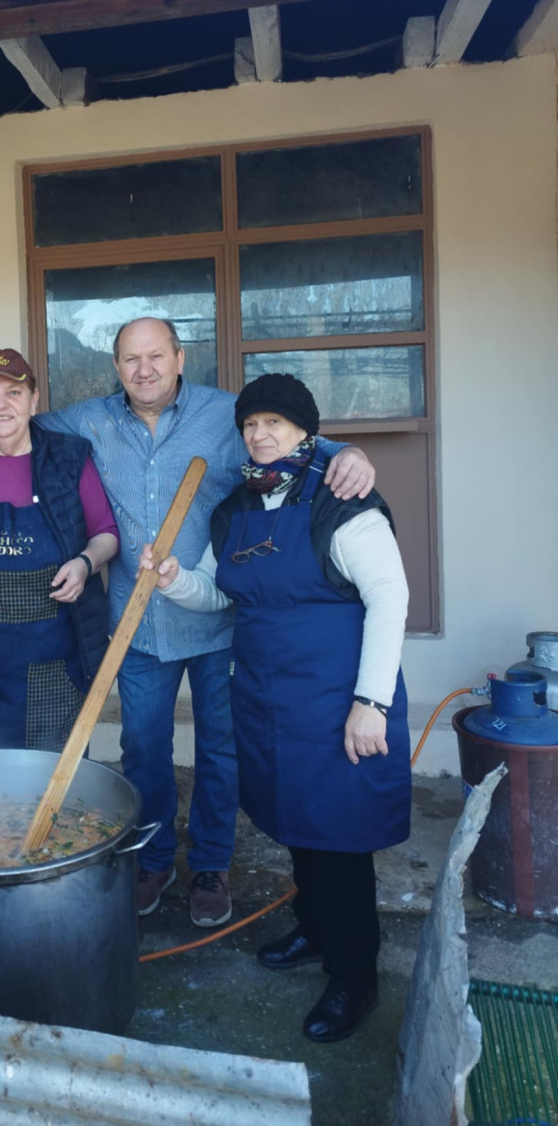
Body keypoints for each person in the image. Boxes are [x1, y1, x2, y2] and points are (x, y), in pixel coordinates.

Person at [0, 317, 375, 929]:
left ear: (180, 358)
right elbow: (11, 417)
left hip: (217, 617)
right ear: (116, 366)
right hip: (138, 624)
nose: (144, 369)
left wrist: (349, 452)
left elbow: (293, 441)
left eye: (156, 356)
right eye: (131, 358)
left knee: (220, 750)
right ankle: (152, 859)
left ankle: (210, 864)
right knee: (144, 749)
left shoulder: (226, 415)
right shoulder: (89, 420)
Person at [141, 372, 410, 1042]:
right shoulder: (238, 506)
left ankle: (354, 977)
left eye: (275, 424)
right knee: (296, 823)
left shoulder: (340, 497)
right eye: (251, 424)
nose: (260, 435)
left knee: (339, 839)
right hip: (266, 697)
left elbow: (391, 596)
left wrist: (371, 702)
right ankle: (315, 931)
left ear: (304, 431)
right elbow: (219, 592)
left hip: (336, 698)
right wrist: (174, 581)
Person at [0, 349, 118, 753]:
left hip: (55, 669)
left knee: (52, 782)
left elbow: (106, 533)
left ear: (34, 400)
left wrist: (84, 564)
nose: (1, 405)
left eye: (13, 393)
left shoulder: (69, 458)